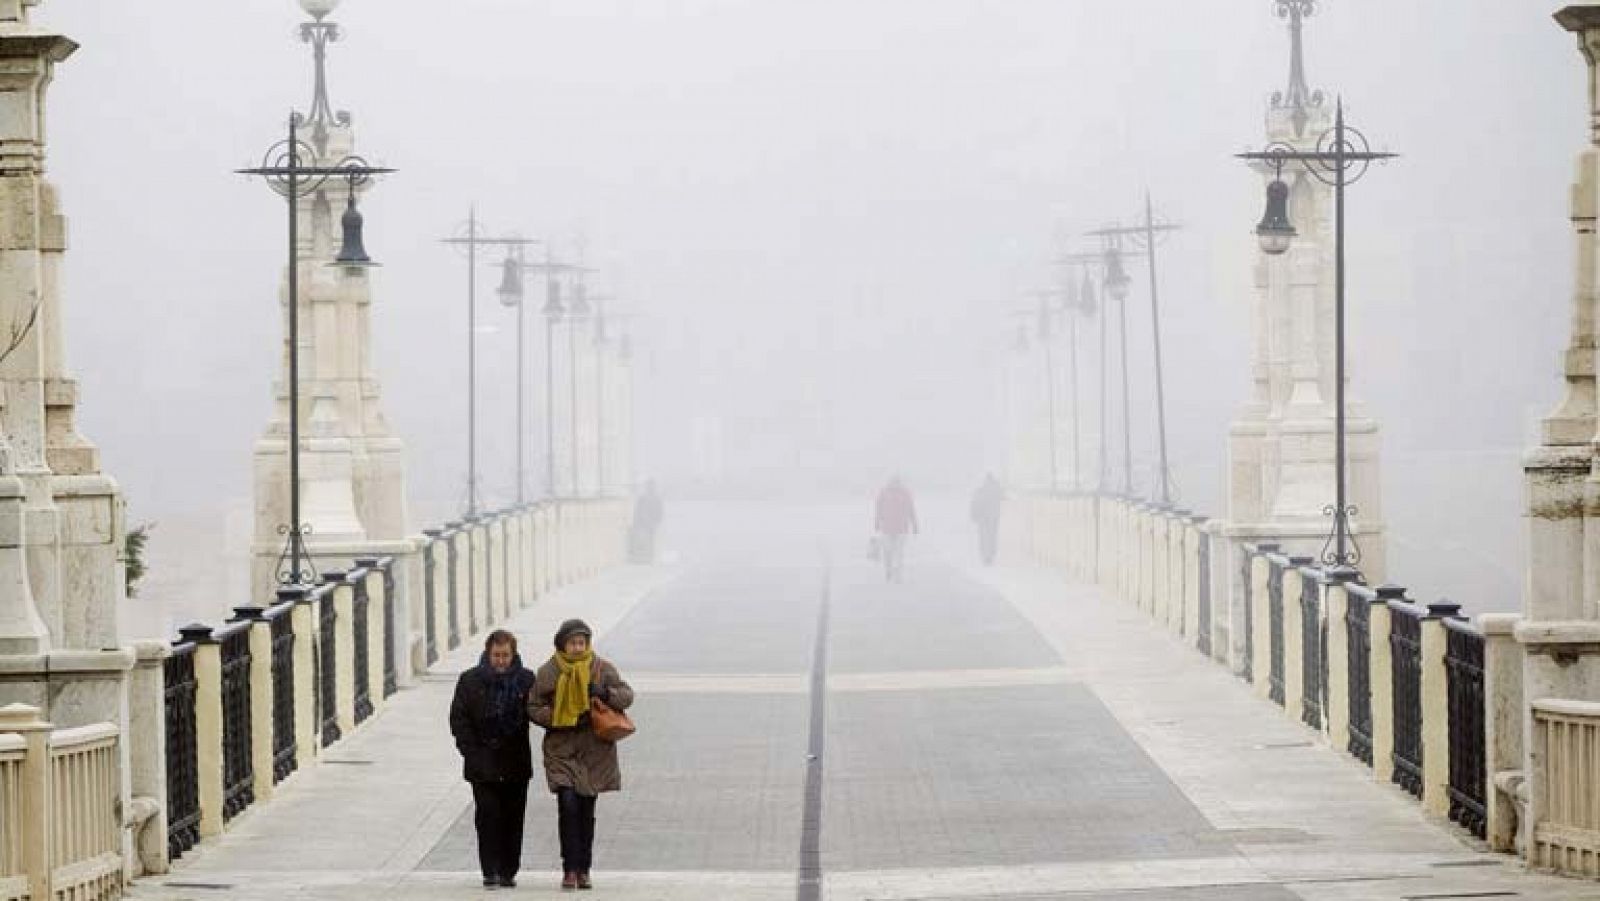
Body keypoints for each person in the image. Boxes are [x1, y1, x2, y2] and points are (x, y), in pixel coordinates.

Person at [528, 619, 634, 891]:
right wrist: (560, 717)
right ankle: (569, 869)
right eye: (572, 642)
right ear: (562, 644)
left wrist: (605, 693)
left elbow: (627, 695)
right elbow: (533, 706)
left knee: (586, 809)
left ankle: (584, 868)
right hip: (561, 751)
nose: (577, 647)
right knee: (568, 805)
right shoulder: (549, 671)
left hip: (594, 752)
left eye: (582, 642)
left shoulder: (601, 668)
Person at [449, 629, 537, 890]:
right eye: (496, 655)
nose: (501, 661)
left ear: (513, 654)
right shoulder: (470, 680)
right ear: (488, 654)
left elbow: (540, 710)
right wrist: (471, 752)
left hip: (515, 762)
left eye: (505, 655)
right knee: (487, 816)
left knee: (513, 817)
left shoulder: (526, 680)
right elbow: (459, 719)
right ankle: (490, 870)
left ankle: (509, 870)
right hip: (482, 763)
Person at [874, 476, 919, 582]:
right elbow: (879, 508)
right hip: (888, 527)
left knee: (898, 552)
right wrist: (877, 522)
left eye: (896, 482)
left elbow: (911, 509)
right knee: (889, 551)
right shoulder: (884, 493)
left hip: (900, 528)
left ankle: (897, 574)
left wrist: (915, 525)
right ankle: (889, 570)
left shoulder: (904, 493)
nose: (895, 484)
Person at [970, 473, 1005, 566]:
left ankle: (986, 556)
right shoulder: (997, 490)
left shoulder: (980, 490)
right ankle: (990, 555)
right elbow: (1004, 498)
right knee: (992, 537)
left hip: (983, 519)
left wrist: (974, 516)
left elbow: (974, 504)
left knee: (984, 538)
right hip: (993, 518)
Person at [629, 480, 664, 563]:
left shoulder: (656, 498)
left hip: (651, 523)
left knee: (651, 540)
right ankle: (645, 557)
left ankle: (651, 557)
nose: (650, 488)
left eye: (652, 486)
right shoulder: (643, 498)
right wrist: (636, 523)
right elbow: (638, 511)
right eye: (649, 486)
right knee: (644, 540)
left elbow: (660, 512)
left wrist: (656, 522)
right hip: (643, 524)